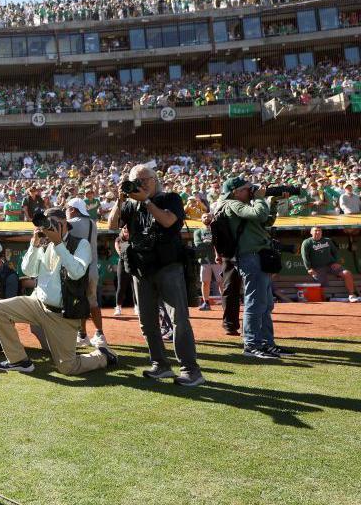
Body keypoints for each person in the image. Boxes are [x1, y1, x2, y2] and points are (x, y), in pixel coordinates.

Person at [0, 208, 119, 374]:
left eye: (51, 223)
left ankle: (103, 356)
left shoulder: (81, 244)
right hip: (37, 304)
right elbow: (28, 270)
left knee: (68, 367)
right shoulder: (45, 244)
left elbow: (77, 272)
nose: (47, 228)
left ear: (64, 223)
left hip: (62, 314)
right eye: (45, 224)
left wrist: (58, 243)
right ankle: (19, 360)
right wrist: (34, 243)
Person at [108, 164, 204, 386]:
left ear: (155, 179)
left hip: (168, 265)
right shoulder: (130, 204)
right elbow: (112, 224)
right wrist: (120, 199)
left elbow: (169, 221)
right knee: (147, 321)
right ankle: (160, 364)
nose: (140, 185)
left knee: (178, 319)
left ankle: (191, 369)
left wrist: (147, 201)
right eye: (135, 181)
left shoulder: (170, 198)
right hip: (140, 268)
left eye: (144, 180)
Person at [216, 178, 295, 359]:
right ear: (235, 191)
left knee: (266, 303)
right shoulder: (232, 204)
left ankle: (267, 343)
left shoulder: (243, 206)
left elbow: (265, 221)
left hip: (258, 257)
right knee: (255, 302)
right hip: (250, 258)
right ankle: (251, 344)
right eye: (247, 189)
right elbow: (258, 214)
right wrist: (259, 197)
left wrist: (272, 203)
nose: (251, 191)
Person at [66, 198, 108, 348]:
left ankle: (82, 335)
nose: (66, 210)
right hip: (92, 270)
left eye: (67, 208)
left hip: (78, 271)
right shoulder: (92, 223)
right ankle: (98, 334)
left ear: (73, 209)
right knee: (92, 301)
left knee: (78, 302)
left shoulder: (71, 223)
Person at [302, 227, 359, 302]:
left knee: (347, 273)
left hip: (331, 265)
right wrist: (309, 268)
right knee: (321, 283)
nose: (318, 232)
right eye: (315, 231)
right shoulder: (307, 242)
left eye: (319, 231)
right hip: (318, 267)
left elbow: (335, 252)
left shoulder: (328, 241)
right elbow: (305, 256)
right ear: (311, 232)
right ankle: (323, 301)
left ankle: (352, 295)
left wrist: (336, 262)